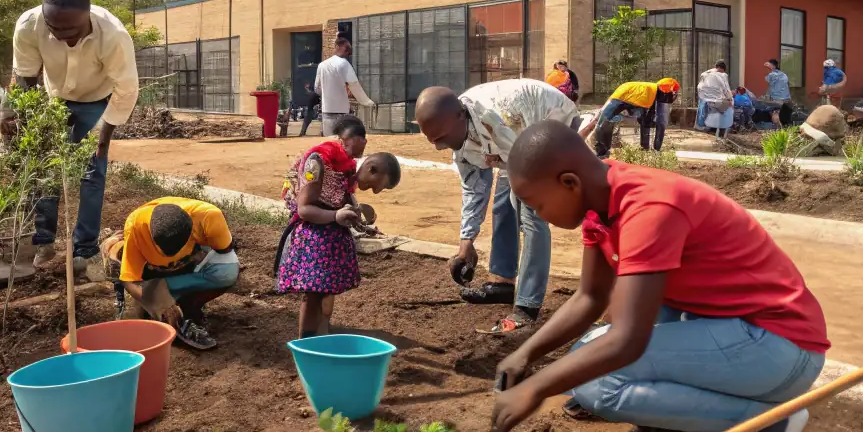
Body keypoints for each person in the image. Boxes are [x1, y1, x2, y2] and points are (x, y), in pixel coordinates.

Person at [493, 120, 829, 432]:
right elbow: (590, 297)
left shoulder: (650, 208)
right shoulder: (602, 200)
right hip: (733, 327)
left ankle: (766, 425)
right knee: (588, 353)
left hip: (779, 348)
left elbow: (627, 341)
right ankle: (678, 419)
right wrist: (525, 355)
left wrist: (535, 388)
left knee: (598, 387)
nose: (540, 216)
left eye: (538, 205)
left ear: (569, 183)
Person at [414, 79, 580, 334]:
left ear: (460, 117)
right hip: (515, 145)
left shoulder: (497, 118)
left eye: (441, 138)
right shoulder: (461, 132)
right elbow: (474, 187)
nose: (438, 146)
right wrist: (465, 242)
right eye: (433, 140)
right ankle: (503, 284)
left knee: (531, 215)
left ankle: (527, 306)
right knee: (503, 206)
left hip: (552, 125)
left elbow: (523, 165)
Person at [4, 0, 140, 281]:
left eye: (72, 30)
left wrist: (102, 139)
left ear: (88, 16)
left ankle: (84, 250)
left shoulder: (113, 35)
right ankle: (44, 243)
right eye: (55, 28)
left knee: (92, 174)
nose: (63, 35)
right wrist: (28, 121)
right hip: (55, 101)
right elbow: (25, 76)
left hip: (97, 103)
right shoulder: (29, 25)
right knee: (45, 171)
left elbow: (126, 91)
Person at [275, 125, 401, 338]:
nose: (375, 191)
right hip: (312, 238)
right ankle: (305, 345)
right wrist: (335, 216)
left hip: (329, 239)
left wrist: (358, 218)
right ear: (371, 169)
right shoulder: (319, 162)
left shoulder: (346, 168)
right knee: (313, 294)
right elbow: (305, 209)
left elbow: (339, 200)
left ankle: (323, 336)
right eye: (375, 186)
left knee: (326, 290)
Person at [109, 197, 239, 350]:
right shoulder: (136, 228)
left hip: (194, 260)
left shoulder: (209, 217)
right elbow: (129, 280)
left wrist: (198, 257)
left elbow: (224, 250)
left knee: (227, 271)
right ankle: (113, 244)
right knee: (118, 263)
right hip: (154, 272)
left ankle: (190, 304)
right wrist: (162, 303)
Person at [583, 78, 680, 159]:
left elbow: (646, 117)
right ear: (666, 92)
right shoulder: (651, 92)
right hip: (621, 97)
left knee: (606, 121)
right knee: (604, 122)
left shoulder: (654, 92)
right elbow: (645, 117)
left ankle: (643, 149)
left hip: (626, 93)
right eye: (673, 94)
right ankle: (601, 152)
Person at [313, 36, 375, 134]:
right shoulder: (344, 64)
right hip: (342, 110)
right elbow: (354, 85)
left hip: (327, 110)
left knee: (329, 141)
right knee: (342, 140)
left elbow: (317, 88)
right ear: (339, 47)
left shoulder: (322, 65)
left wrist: (326, 95)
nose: (348, 54)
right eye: (347, 50)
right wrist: (367, 102)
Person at [696, 61, 734, 140]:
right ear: (723, 69)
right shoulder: (723, 75)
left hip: (704, 99)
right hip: (717, 100)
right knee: (727, 108)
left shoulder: (705, 74)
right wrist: (730, 100)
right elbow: (726, 89)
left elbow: (700, 87)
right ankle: (721, 130)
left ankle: (704, 128)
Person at [759, 59, 794, 128]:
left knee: (773, 112)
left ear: (773, 66)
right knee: (786, 118)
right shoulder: (784, 74)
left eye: (768, 66)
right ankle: (787, 129)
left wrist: (766, 97)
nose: (766, 68)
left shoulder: (772, 74)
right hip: (788, 99)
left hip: (777, 100)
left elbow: (770, 86)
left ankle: (779, 130)